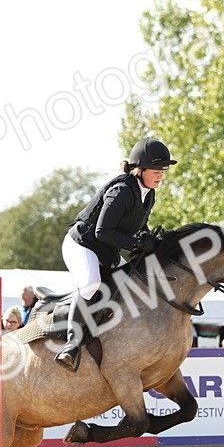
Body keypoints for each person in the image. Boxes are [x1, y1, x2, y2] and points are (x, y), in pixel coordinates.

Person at [55, 136, 175, 371]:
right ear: (139, 169)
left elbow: (138, 228)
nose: (161, 174)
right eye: (157, 169)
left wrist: (150, 241)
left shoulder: (148, 194)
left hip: (105, 249)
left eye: (163, 170)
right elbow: (102, 231)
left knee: (132, 282)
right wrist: (135, 242)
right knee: (91, 284)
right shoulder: (121, 191)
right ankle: (71, 344)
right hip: (82, 245)